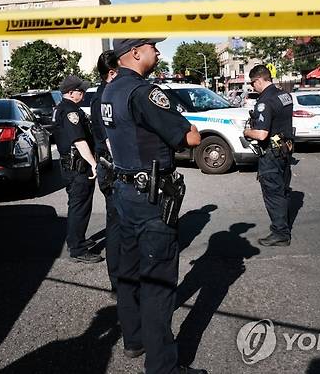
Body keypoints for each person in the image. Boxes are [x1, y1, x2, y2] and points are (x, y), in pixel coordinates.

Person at [101, 38, 206, 374]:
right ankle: (163, 367)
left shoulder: (108, 91)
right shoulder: (144, 92)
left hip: (123, 191)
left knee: (128, 273)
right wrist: (190, 127)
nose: (158, 53)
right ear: (135, 53)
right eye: (153, 48)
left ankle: (133, 340)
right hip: (151, 197)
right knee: (158, 284)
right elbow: (189, 138)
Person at [52, 75, 103, 263]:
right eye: (80, 90)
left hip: (72, 165)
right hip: (78, 166)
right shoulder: (70, 111)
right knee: (79, 206)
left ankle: (76, 239)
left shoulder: (64, 108)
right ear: (71, 93)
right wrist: (93, 163)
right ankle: (78, 249)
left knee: (77, 205)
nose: (83, 93)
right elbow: (79, 140)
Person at [243, 64, 294, 247]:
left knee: (273, 193)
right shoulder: (284, 95)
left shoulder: (265, 102)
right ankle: (283, 227)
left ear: (258, 80)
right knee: (282, 190)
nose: (252, 87)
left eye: (252, 83)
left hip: (271, 154)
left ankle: (280, 233)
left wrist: (248, 132)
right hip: (285, 150)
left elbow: (262, 134)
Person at [90, 50, 121, 297]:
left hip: (107, 165)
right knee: (119, 225)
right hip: (113, 166)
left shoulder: (99, 97)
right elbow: (111, 140)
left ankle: (119, 280)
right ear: (111, 73)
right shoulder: (107, 98)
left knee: (116, 224)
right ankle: (119, 281)